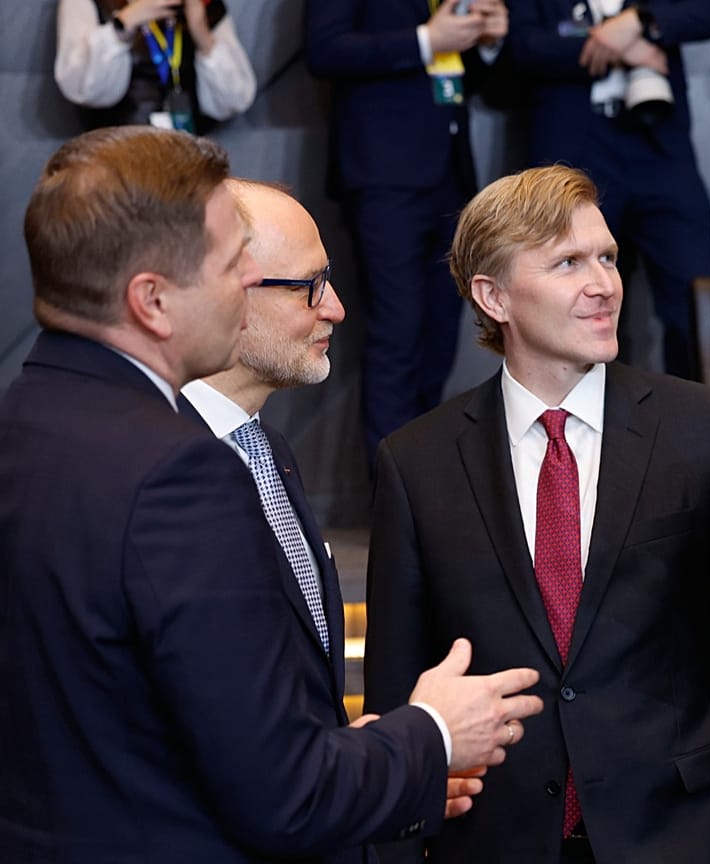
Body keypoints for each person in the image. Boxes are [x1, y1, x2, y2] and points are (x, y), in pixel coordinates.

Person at [0, 126, 542, 862]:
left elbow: (147, 720)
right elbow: (286, 795)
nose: (241, 290)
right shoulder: (177, 472)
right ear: (153, 301)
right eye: (229, 269)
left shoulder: (30, 420)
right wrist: (433, 733)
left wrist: (374, 757)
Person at [365, 165, 710, 863]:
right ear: (494, 296)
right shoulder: (414, 463)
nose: (603, 284)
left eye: (607, 257)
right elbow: (399, 691)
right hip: (493, 842)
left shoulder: (702, 429)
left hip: (682, 837)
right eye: (568, 262)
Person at [304, 0, 508, 453]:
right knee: (396, 333)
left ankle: (424, 483)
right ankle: (391, 501)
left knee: (440, 336)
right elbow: (323, 48)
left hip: (452, 173)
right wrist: (425, 41)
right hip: (384, 171)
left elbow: (479, 79)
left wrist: (488, 42)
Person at [503, 0, 710, 379]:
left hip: (658, 147)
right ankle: (586, 430)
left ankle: (701, 427)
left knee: (692, 306)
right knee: (575, 305)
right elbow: (520, 47)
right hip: (573, 153)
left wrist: (639, 21)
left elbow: (709, 13)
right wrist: (616, 45)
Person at [55, 0, 256, 132]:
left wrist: (201, 33)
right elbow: (84, 89)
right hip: (117, 160)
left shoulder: (206, 6)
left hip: (189, 157)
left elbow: (234, 100)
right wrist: (125, 22)